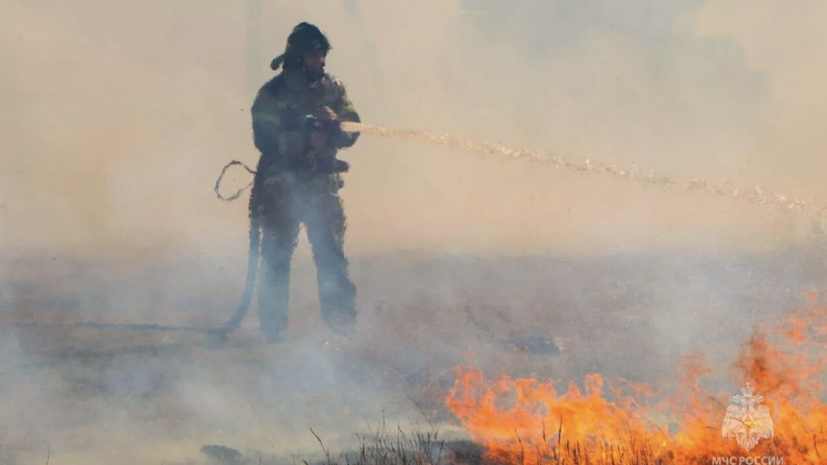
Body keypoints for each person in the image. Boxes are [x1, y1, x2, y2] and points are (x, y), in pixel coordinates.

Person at [248, 22, 361, 342]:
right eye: (314, 56)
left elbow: (355, 125)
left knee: (331, 254)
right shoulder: (272, 93)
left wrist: (336, 129)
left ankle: (341, 323)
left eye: (323, 55)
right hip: (281, 189)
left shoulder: (333, 88)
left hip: (322, 187)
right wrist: (302, 137)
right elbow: (264, 139)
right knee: (276, 256)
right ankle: (272, 327)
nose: (321, 61)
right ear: (298, 57)